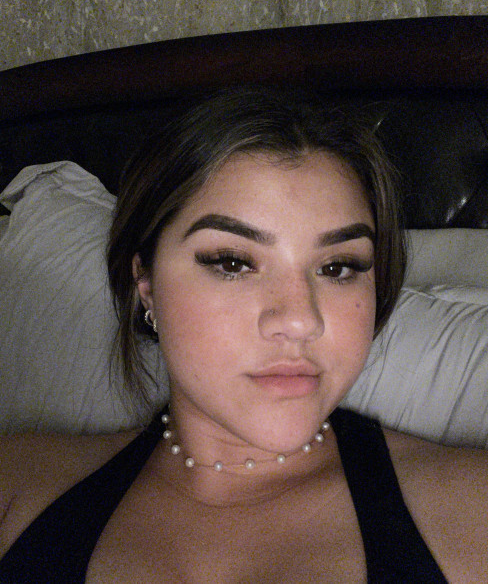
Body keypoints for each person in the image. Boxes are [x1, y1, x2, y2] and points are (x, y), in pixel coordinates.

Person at [0, 86, 487, 583]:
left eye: (338, 267)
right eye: (232, 263)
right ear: (146, 284)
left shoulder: (472, 513)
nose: (300, 320)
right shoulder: (15, 488)